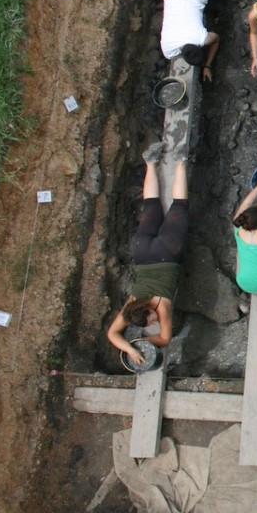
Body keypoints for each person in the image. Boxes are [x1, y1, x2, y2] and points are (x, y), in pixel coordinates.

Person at [106, 144, 188, 365]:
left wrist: (140, 344)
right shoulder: (130, 305)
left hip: (167, 252)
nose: (154, 321)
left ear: (148, 310)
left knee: (179, 206)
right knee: (151, 205)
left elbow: (164, 337)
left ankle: (181, 161)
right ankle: (150, 162)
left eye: (150, 319)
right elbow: (112, 335)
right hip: (142, 252)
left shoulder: (161, 306)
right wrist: (128, 348)